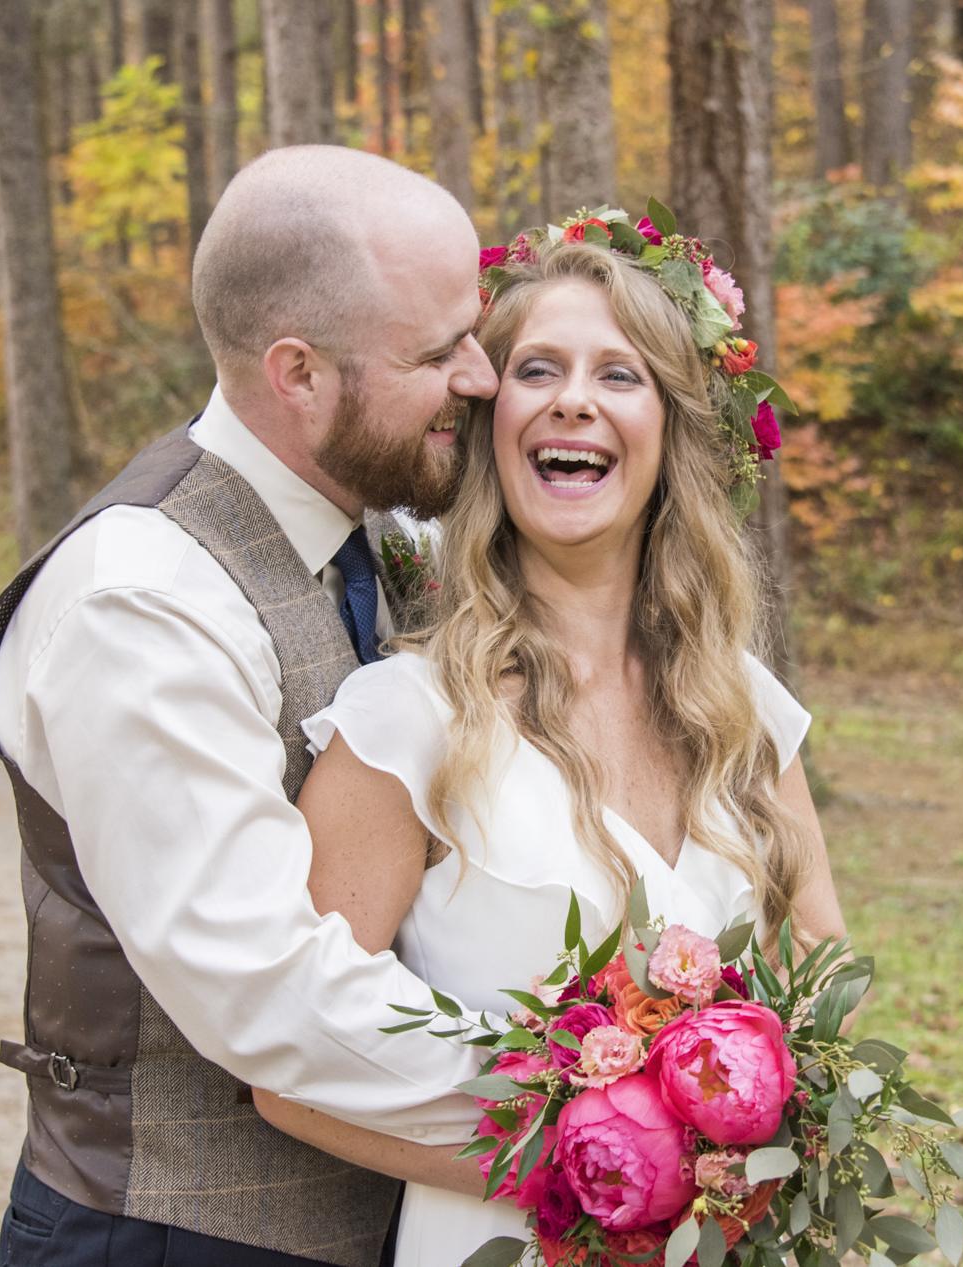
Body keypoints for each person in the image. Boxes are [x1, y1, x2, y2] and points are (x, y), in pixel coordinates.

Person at [247, 237, 850, 1265]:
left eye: (618, 374)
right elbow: (287, 1068)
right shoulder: (405, 723)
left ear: (669, 433)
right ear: (490, 425)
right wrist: (593, 1178)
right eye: (537, 370)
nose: (574, 400)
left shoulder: (744, 711)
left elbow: (828, 1015)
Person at [0, 146, 506, 1267]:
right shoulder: (144, 599)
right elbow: (264, 988)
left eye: (477, 331)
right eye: (439, 350)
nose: (483, 376)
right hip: (175, 1236)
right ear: (299, 374)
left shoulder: (384, 528)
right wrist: (591, 1103)